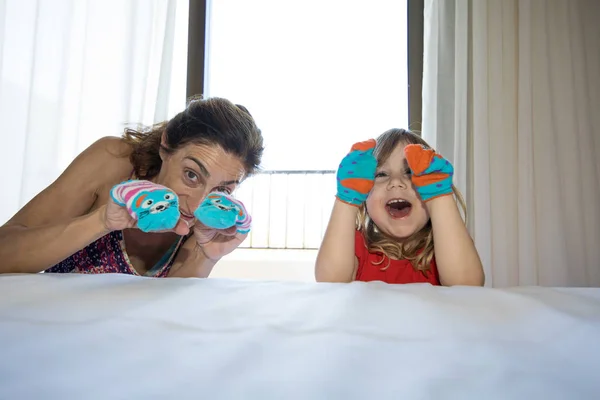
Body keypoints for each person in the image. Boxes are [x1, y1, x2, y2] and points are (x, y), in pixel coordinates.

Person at [0, 96, 263, 277]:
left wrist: (206, 256)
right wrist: (102, 221)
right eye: (191, 175)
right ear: (166, 146)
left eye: (222, 190)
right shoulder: (112, 160)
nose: (196, 206)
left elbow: (168, 320)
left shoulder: (210, 218)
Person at [315, 128, 484, 286]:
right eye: (381, 174)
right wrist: (347, 200)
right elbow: (330, 284)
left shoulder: (446, 245)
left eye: (410, 173)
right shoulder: (355, 246)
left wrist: (439, 198)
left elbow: (467, 286)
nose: (396, 182)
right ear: (365, 194)